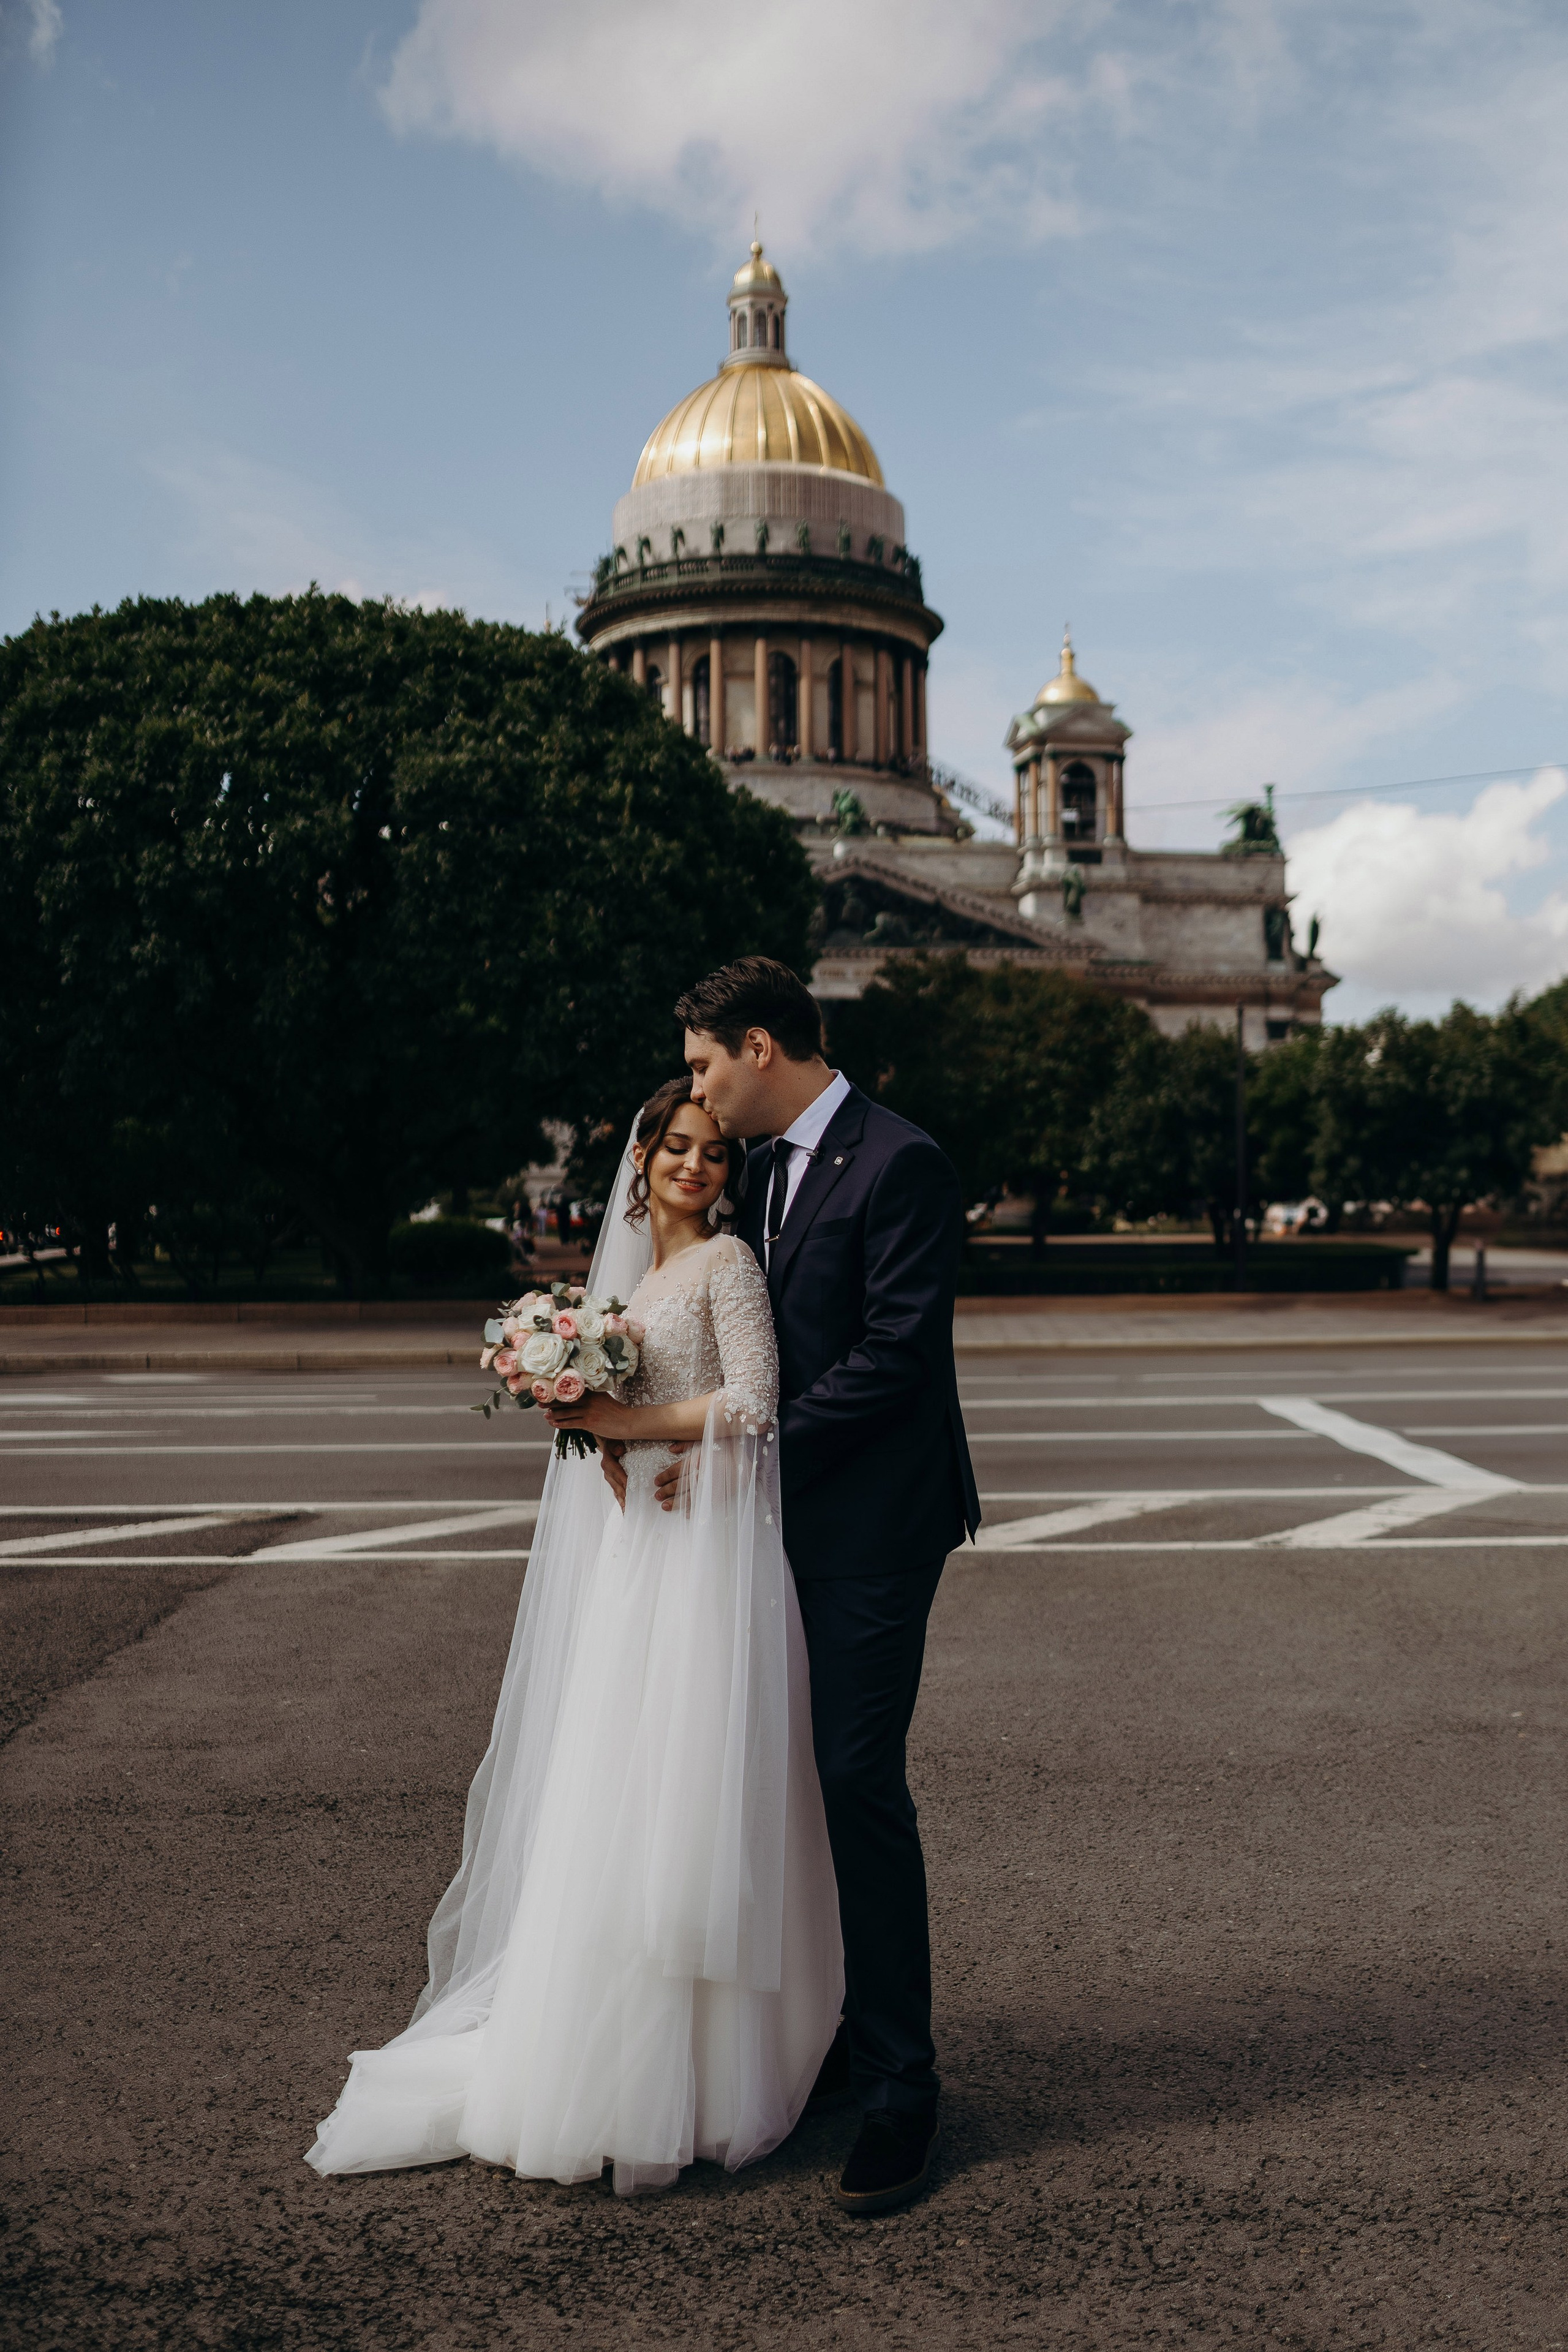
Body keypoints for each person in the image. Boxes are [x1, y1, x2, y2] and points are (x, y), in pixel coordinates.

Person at [305, 1078, 843, 2193]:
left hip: (715, 1568)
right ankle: (616, 2065)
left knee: (694, 1791)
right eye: (677, 1149)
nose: (697, 1168)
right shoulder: (635, 1282)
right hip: (644, 1559)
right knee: (622, 1798)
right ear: (641, 1161)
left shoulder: (727, 1267)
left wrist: (626, 1424)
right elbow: (644, 1416)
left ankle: (709, 2073)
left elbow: (755, 1400)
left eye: (714, 1155)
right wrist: (612, 1449)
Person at [603, 957, 979, 2215]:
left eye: (705, 1064)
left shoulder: (898, 1160)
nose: (695, 1090)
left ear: (758, 1046)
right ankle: (820, 2041)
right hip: (761, 1523)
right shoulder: (755, 1173)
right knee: (774, 1782)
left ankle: (900, 2088)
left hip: (870, 1526)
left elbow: (892, 1360)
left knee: (855, 1782)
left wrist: (741, 1445)